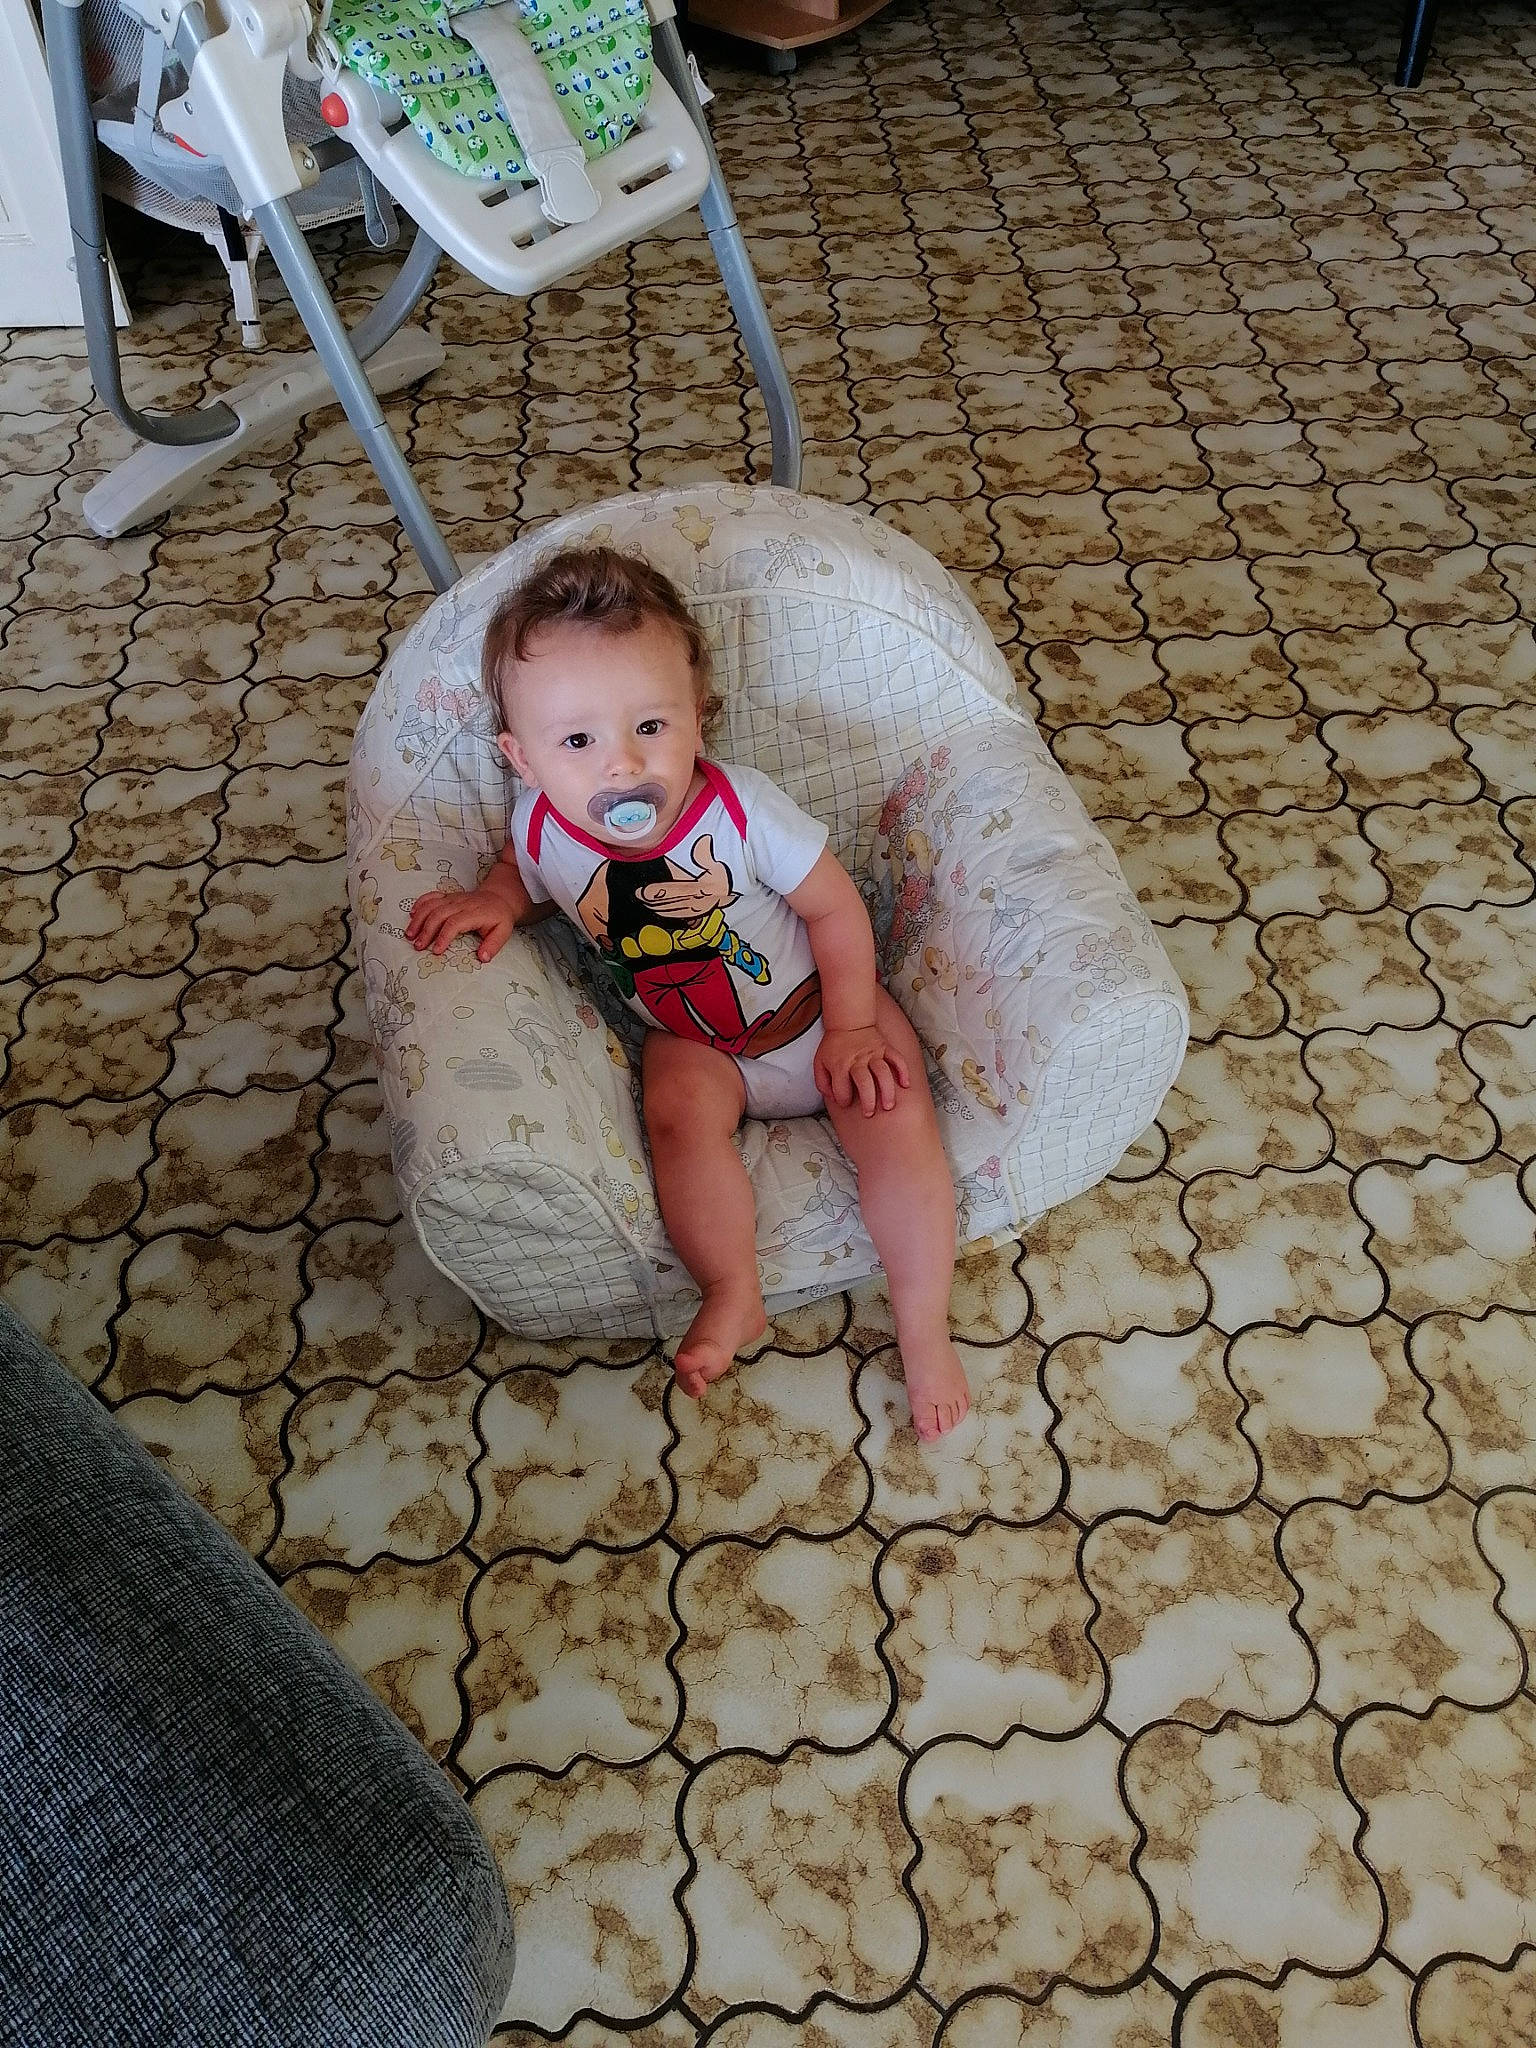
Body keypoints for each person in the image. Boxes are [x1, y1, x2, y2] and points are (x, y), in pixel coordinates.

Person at [405, 547, 971, 1439]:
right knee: (673, 1112)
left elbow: (834, 910)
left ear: (698, 719)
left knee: (898, 1122)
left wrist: (855, 1025)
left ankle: (923, 1326)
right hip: (700, 1042)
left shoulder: (742, 812)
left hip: (815, 1013)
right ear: (522, 757)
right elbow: (524, 870)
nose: (622, 767)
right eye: (578, 741)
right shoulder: (541, 825)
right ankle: (733, 1287)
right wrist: (496, 901)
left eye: (652, 727)